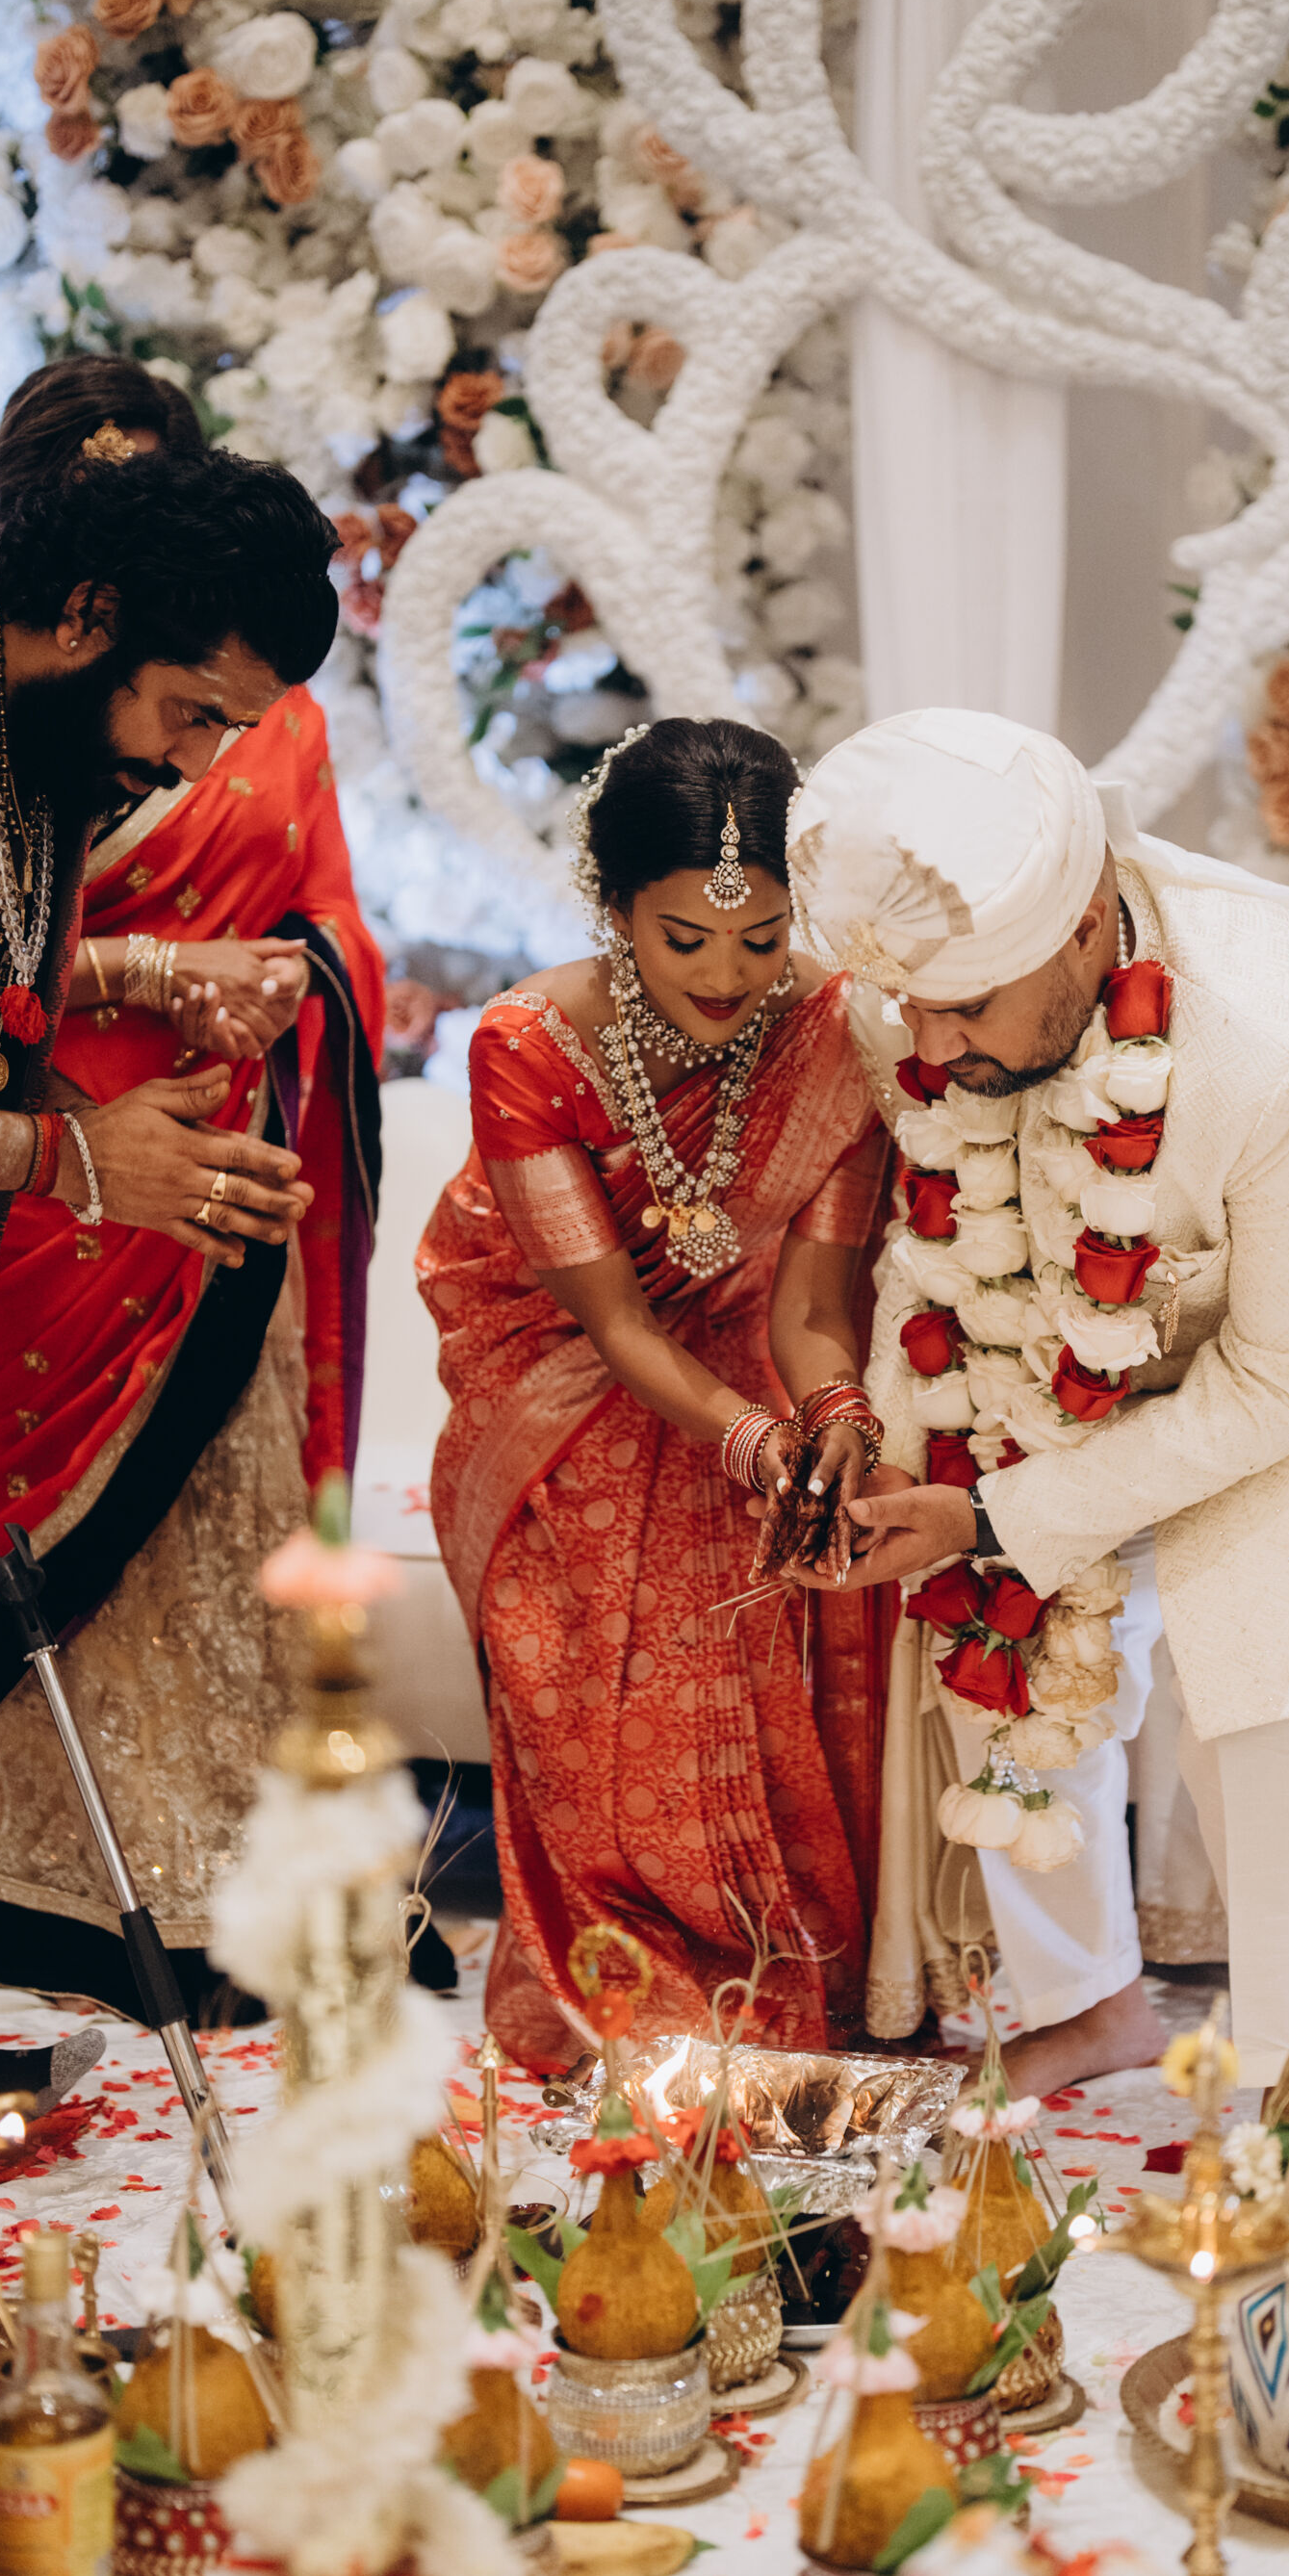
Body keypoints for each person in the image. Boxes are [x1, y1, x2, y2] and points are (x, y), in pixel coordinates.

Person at [782, 708, 1289, 2095]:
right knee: (992, 1601)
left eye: (964, 1010)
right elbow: (938, 1235)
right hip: (1086, 1264)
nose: (925, 1042)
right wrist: (912, 1461)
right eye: (907, 1006)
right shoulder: (929, 990)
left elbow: (1283, 1376)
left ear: (1081, 929)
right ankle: (1090, 1999)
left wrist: (1001, 1507)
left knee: (1274, 1648)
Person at [0, 369, 387, 2021]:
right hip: (47, 1164)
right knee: (66, 1540)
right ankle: (51, 1893)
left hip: (222, 1167)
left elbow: (335, 929)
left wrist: (289, 981)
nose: (206, 748)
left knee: (231, 1533)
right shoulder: (1, 717)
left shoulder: (262, 705)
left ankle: (243, 1894)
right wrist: (143, 967)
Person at [419, 717, 894, 2071]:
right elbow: (615, 1321)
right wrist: (752, 1437)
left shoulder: (837, 1031)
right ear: (613, 904)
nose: (730, 976)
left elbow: (812, 1306)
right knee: (596, 1645)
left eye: (762, 938)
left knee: (791, 1555)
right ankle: (621, 1972)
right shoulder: (526, 1044)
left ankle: (763, 1960)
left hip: (743, 1349)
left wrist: (836, 1420)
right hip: (554, 1380)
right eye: (686, 939)